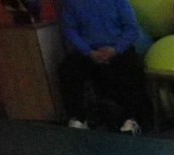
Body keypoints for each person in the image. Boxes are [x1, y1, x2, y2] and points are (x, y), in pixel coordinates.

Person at [57, 0, 149, 134]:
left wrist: (115, 49)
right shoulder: (72, 3)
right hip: (88, 51)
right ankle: (78, 118)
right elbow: (70, 31)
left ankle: (131, 118)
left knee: (132, 69)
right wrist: (89, 52)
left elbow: (131, 28)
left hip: (117, 48)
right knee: (67, 69)